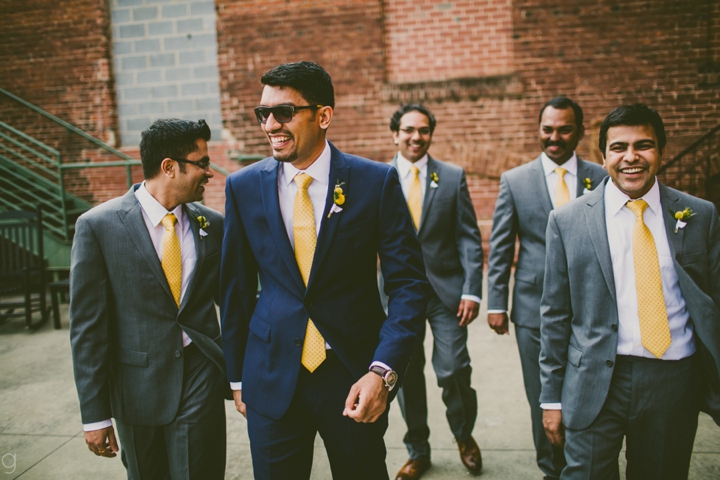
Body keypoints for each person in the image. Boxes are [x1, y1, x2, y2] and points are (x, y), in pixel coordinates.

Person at [220, 61, 428, 480]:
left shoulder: (375, 182)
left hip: (353, 373)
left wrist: (382, 373)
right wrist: (238, 378)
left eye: (284, 112)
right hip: (271, 374)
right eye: (263, 114)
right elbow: (236, 290)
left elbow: (408, 286)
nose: (271, 125)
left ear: (324, 115)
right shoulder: (242, 187)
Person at [539, 103, 720, 479]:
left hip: (672, 379)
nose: (631, 157)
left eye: (644, 145)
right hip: (593, 378)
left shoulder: (699, 215)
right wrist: (551, 398)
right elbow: (555, 315)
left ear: (662, 153)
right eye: (619, 147)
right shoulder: (567, 221)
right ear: (602, 156)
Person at [69, 118, 227, 479]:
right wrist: (94, 414)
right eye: (201, 163)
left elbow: (232, 302)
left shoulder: (212, 224)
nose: (210, 172)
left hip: (199, 374)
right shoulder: (98, 226)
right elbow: (87, 329)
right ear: (169, 167)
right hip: (135, 386)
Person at [486, 97, 606, 479]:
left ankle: (586, 461)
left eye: (564, 129)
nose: (554, 137)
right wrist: (496, 304)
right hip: (532, 306)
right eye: (547, 129)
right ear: (539, 130)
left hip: (592, 306)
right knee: (543, 394)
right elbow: (502, 246)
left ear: (580, 132)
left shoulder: (601, 177)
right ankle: (551, 469)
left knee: (589, 388)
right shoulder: (515, 180)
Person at [386, 104, 484, 480]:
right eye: (408, 130)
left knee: (453, 367)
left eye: (423, 130)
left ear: (431, 134)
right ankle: (418, 450)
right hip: (397, 296)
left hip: (446, 293)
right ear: (395, 134)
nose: (416, 137)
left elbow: (468, 238)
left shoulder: (453, 176)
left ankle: (464, 434)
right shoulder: (378, 177)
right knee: (406, 375)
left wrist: (472, 291)